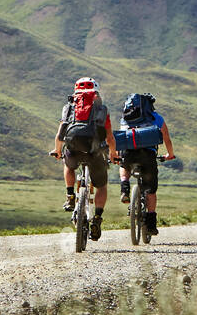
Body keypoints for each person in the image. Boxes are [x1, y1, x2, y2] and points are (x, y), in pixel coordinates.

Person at [52, 77, 118, 240]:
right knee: (101, 186)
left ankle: (70, 196)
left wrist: (57, 150)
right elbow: (109, 136)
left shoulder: (69, 107)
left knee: (68, 164)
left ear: (76, 92)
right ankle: (97, 218)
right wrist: (113, 153)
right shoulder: (101, 109)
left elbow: (61, 132)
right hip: (95, 151)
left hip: (74, 147)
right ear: (95, 92)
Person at [116, 94, 175, 236]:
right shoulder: (156, 118)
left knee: (124, 166)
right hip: (148, 156)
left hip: (129, 154)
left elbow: (121, 138)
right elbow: (166, 137)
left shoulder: (126, 117)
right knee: (151, 190)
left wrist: (118, 156)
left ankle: (125, 187)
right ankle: (151, 223)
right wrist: (170, 154)